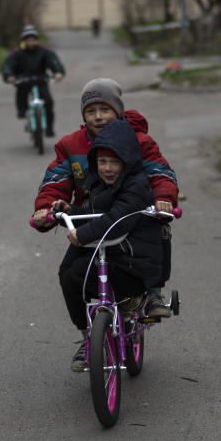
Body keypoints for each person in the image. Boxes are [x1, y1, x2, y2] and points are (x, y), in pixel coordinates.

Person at [31, 77, 179, 318]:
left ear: (117, 111)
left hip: (132, 214)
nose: (98, 116)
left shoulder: (139, 140)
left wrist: (164, 198)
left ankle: (152, 292)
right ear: (83, 115)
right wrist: (47, 209)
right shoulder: (71, 145)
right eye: (90, 111)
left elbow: (159, 172)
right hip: (93, 217)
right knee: (68, 273)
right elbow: (56, 180)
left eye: (104, 109)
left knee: (158, 230)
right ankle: (87, 333)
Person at [53, 118, 164, 371]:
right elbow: (95, 213)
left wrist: (82, 235)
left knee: (79, 272)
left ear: (128, 163)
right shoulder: (100, 185)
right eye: (102, 162)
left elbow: (117, 219)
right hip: (112, 253)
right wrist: (70, 212)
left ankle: (131, 301)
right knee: (70, 276)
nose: (108, 168)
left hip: (133, 262)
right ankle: (87, 334)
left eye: (115, 162)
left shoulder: (136, 186)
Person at [0, 25, 65, 137]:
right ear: (24, 41)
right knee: (21, 95)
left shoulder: (44, 51)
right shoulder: (17, 52)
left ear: (36, 40)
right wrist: (9, 75)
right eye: (28, 40)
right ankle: (22, 110)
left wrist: (58, 72)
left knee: (48, 101)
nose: (31, 42)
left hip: (40, 79)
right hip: (24, 80)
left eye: (33, 39)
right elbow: (8, 65)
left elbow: (54, 61)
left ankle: (49, 127)